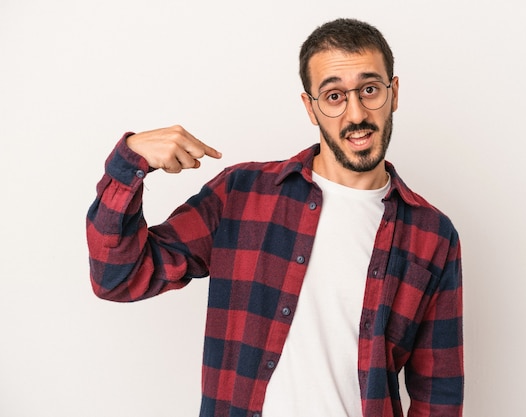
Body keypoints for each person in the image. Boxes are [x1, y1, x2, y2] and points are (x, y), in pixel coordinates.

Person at [87, 18, 463, 417]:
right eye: (334, 95)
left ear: (394, 93)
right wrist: (131, 162)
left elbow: (438, 395)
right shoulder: (242, 194)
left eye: (369, 90)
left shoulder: (432, 235)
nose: (356, 114)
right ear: (310, 108)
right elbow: (117, 277)